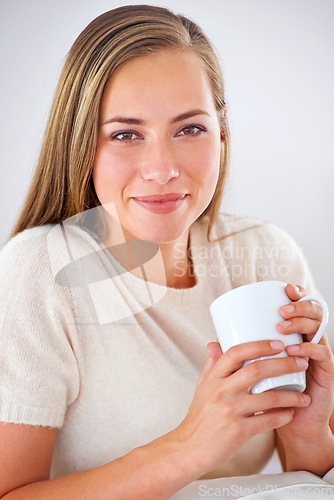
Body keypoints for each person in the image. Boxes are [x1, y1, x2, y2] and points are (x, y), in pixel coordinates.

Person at [0, 5, 333, 499]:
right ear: (81, 143)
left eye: (189, 129)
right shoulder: (39, 273)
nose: (161, 168)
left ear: (221, 131)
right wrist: (191, 445)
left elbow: (304, 479)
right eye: (125, 134)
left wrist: (307, 432)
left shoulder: (264, 254)